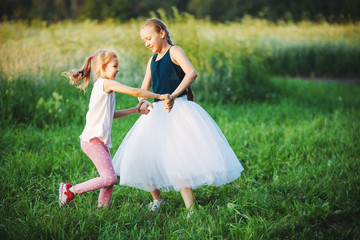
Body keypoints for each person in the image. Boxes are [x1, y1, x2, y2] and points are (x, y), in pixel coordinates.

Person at [112, 19, 244, 216]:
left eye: (149, 38)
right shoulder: (152, 60)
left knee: (177, 157)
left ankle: (191, 209)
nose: (147, 43)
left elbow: (191, 73)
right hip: (156, 111)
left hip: (178, 109)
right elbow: (143, 89)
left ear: (162, 33)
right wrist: (143, 101)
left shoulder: (174, 51)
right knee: (141, 155)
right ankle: (158, 199)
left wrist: (173, 95)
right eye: (143, 41)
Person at [59, 49, 170, 209]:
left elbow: (111, 114)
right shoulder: (106, 83)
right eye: (115, 66)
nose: (118, 69)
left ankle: (102, 211)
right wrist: (160, 96)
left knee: (109, 179)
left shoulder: (102, 86)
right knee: (110, 178)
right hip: (92, 141)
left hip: (99, 140)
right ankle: (70, 190)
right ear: (103, 67)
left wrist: (135, 110)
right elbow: (134, 91)